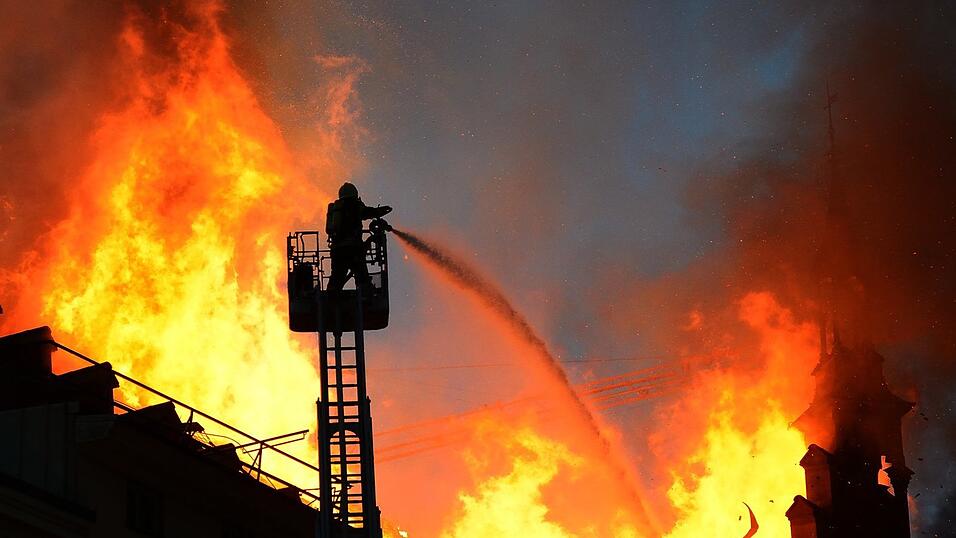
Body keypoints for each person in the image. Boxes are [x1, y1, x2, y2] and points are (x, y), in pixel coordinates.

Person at [325, 182, 392, 294]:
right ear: (355, 194)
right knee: (361, 275)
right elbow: (367, 212)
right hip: (354, 249)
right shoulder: (354, 205)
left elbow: (329, 230)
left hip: (338, 251)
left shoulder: (336, 208)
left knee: (337, 276)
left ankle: (330, 298)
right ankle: (365, 294)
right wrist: (380, 211)